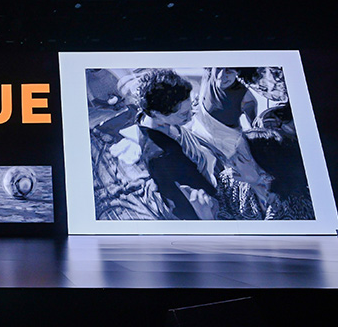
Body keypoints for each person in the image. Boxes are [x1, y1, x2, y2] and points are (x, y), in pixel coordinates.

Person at [105, 69, 220, 220]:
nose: (191, 115)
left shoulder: (148, 118)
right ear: (156, 114)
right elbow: (192, 198)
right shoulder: (163, 154)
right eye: (183, 114)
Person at [217, 128, 314, 220]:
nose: (231, 160)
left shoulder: (298, 211)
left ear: (267, 177)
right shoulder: (227, 183)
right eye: (235, 152)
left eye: (240, 159)